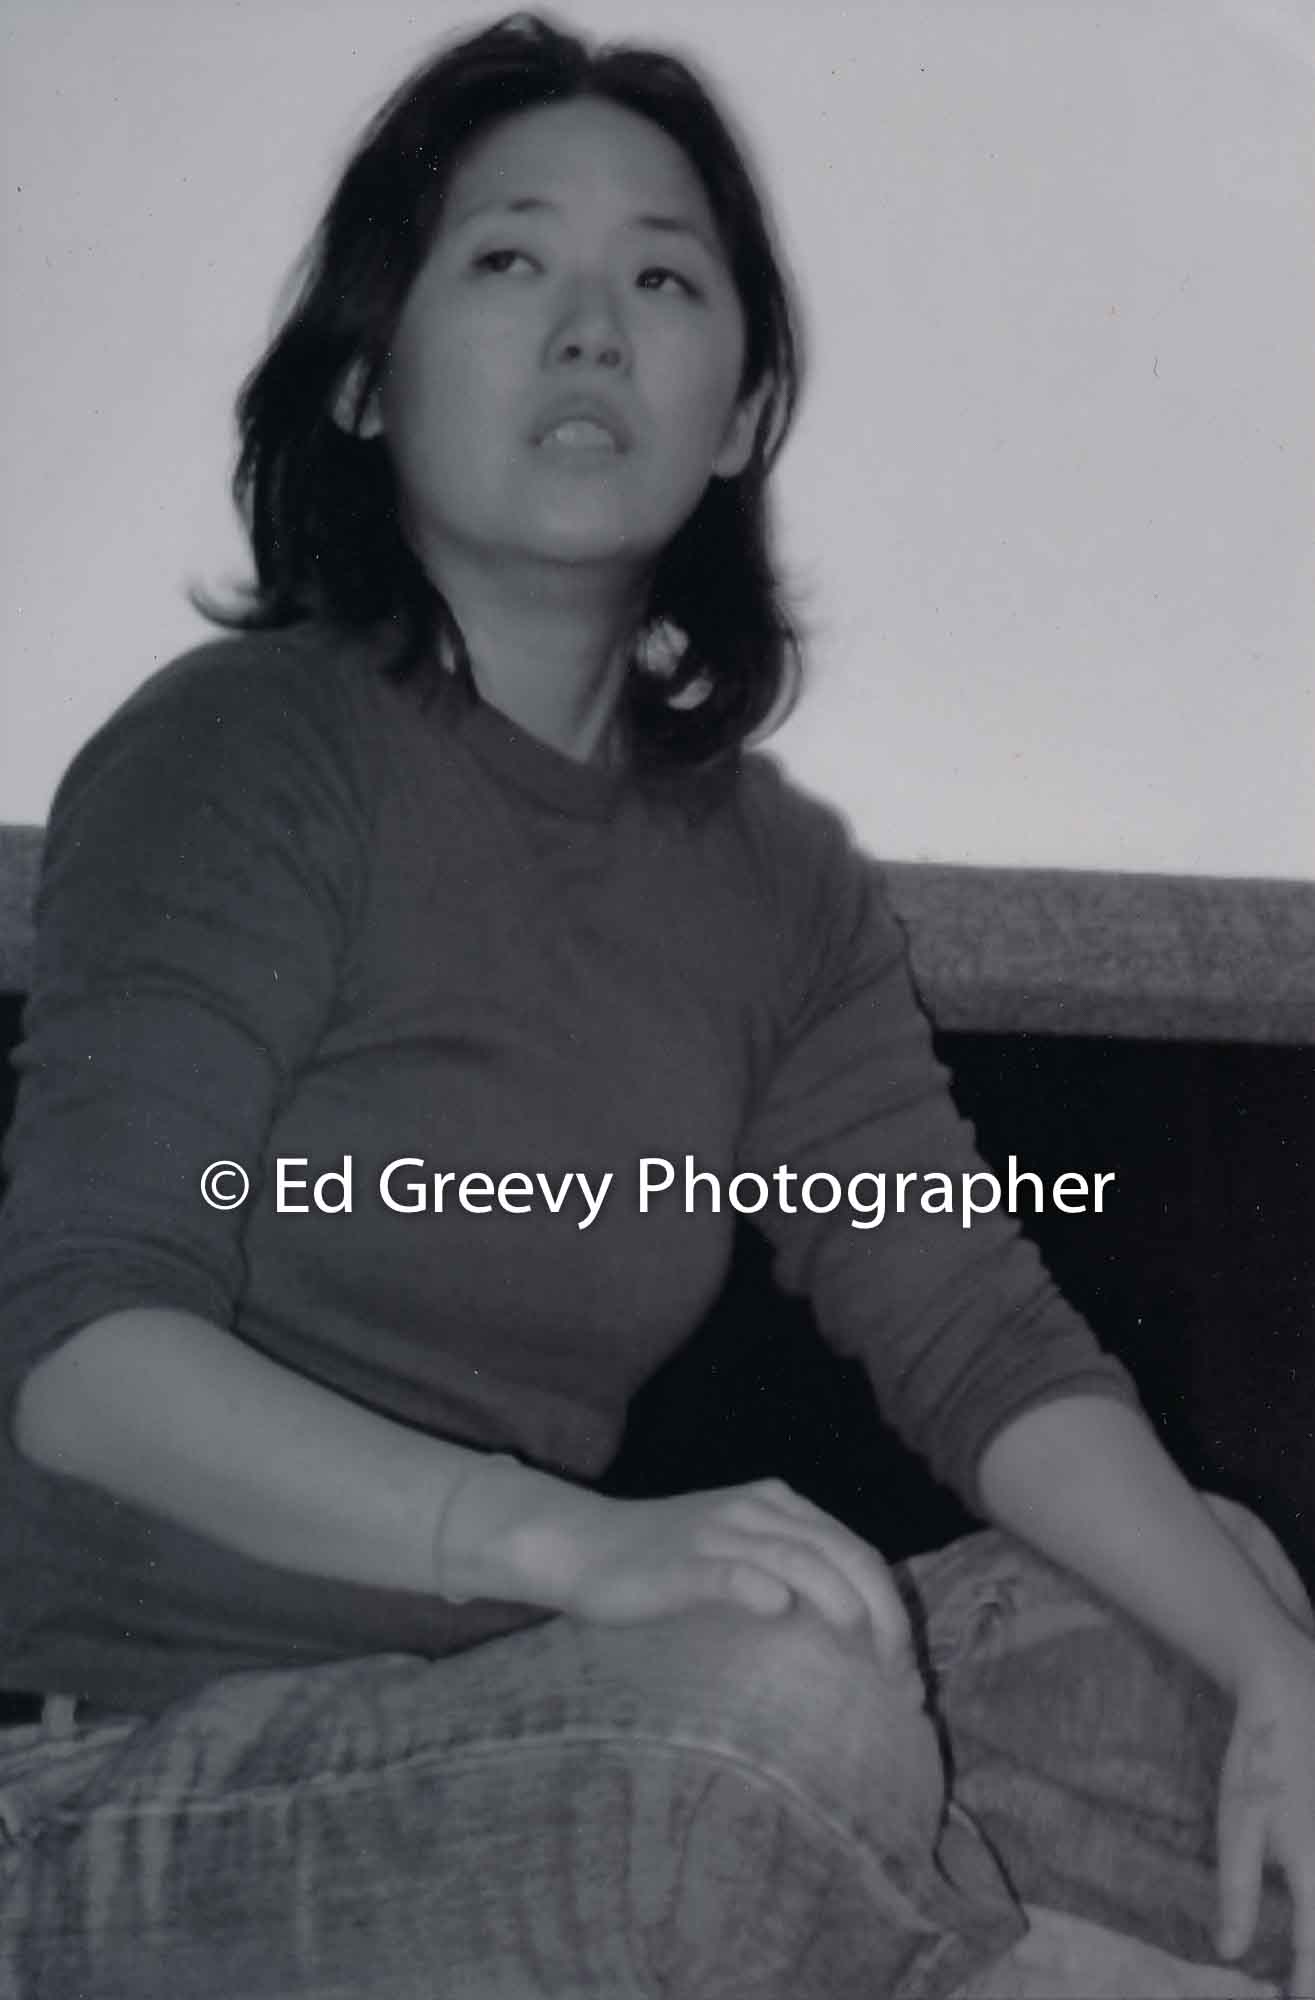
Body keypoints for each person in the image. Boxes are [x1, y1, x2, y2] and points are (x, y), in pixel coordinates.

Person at [0, 14, 1312, 1997]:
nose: (591, 328)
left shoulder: (771, 880)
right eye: (508, 256)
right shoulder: (242, 755)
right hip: (124, 1786)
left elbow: (978, 1337)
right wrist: (567, 1547)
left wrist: (1271, 1665)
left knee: (1196, 1620)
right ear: (364, 378)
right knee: (761, 1719)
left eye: (664, 280)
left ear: (739, 415)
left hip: (545, 1736)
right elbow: (84, 1355)